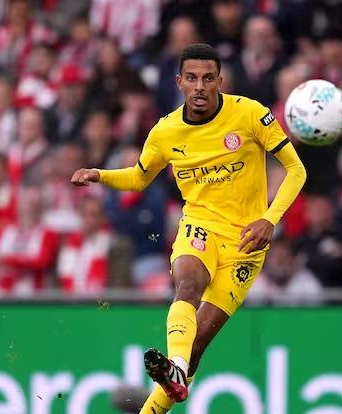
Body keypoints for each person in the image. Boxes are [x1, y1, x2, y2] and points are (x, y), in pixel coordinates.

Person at [71, 43, 306, 412]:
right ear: (179, 81)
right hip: (200, 225)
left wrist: (269, 218)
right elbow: (139, 177)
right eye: (192, 78)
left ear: (220, 81)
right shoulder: (166, 131)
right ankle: (175, 368)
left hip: (246, 244)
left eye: (208, 78)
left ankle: (175, 374)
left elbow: (296, 170)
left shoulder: (250, 114)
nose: (200, 86)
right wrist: (100, 174)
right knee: (188, 284)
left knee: (197, 344)